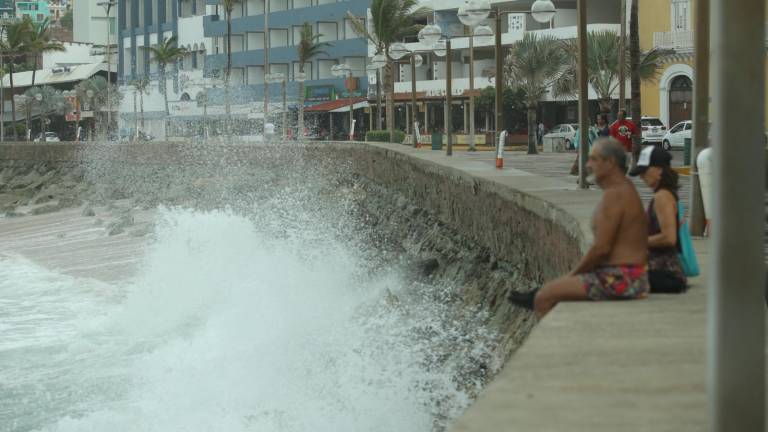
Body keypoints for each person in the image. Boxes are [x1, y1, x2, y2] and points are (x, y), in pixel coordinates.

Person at [509, 138, 649, 317]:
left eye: (594, 159)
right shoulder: (624, 188)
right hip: (630, 276)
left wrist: (572, 275)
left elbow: (601, 248)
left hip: (621, 278)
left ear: (610, 163)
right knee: (544, 291)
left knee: (543, 297)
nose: (588, 164)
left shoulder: (615, 194)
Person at [629, 146, 687, 293]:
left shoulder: (662, 196)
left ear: (659, 170)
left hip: (665, 272)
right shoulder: (667, 194)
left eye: (645, 171)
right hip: (665, 271)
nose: (641, 176)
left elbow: (669, 238)